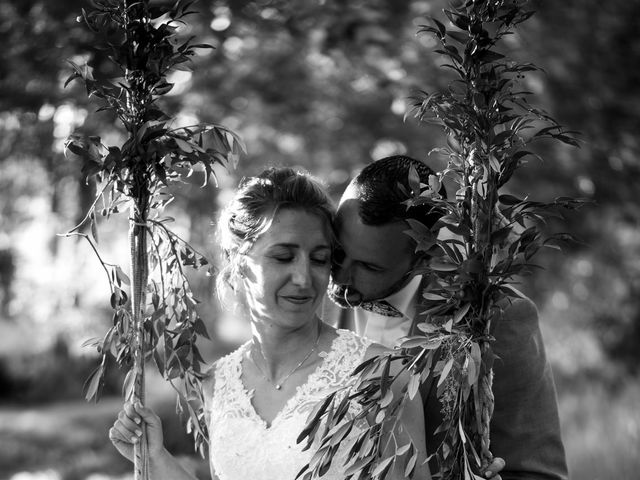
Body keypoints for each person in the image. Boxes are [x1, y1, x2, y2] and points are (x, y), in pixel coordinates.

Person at [108, 167, 430, 480]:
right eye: (283, 256)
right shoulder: (217, 384)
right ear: (239, 263)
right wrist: (155, 458)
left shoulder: (384, 375)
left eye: (319, 259)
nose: (304, 279)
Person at [323, 155, 569, 480]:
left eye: (370, 267)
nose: (340, 277)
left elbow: (539, 472)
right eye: (339, 253)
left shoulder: (495, 316)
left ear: (423, 254)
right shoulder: (309, 296)